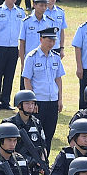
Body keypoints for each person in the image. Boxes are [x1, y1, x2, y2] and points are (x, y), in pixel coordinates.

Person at [21, 26, 64, 154]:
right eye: (49, 40)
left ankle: (45, 160)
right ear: (41, 39)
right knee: (35, 134)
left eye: (53, 40)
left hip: (52, 101)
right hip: (39, 102)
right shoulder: (32, 57)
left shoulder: (55, 57)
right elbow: (27, 79)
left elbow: (58, 79)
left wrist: (60, 99)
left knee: (49, 134)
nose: (52, 43)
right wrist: (31, 102)